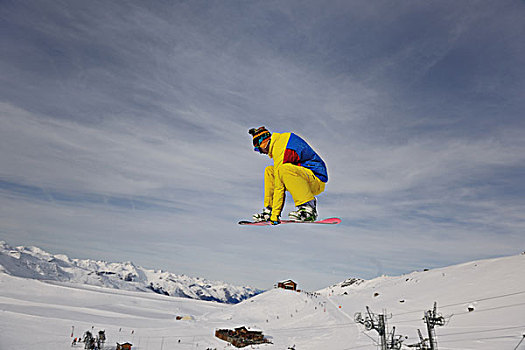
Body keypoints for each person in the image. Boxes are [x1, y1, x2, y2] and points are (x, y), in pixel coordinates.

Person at [248, 126, 328, 224]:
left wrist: (275, 216)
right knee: (269, 171)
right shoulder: (279, 143)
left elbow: (279, 187)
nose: (260, 153)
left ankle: (308, 208)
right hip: (303, 177)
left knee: (283, 169)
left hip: (316, 180)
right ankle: (269, 209)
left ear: (264, 144)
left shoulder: (280, 148)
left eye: (258, 149)